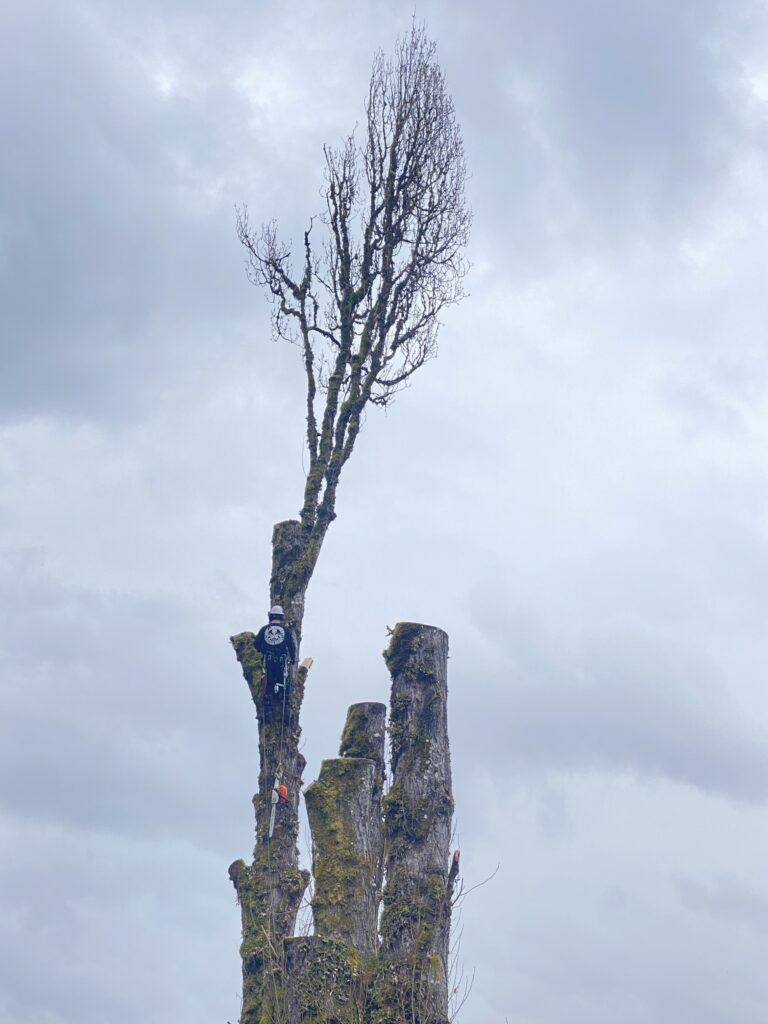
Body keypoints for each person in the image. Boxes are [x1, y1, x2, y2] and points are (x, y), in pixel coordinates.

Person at [254, 605, 297, 722]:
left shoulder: (264, 630)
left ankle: (267, 715)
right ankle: (286, 716)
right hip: (282, 663)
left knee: (268, 687)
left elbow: (256, 645)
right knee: (284, 687)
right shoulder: (286, 631)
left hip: (268, 662)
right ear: (282, 617)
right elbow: (291, 647)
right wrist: (293, 659)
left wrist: (263, 650)